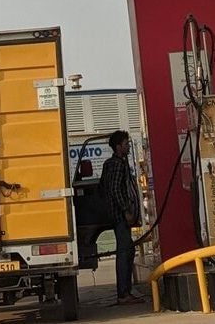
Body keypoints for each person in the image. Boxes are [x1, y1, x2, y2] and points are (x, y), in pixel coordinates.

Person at [99, 130, 142, 305]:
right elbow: (116, 189)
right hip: (120, 215)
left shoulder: (109, 164)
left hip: (115, 214)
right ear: (118, 147)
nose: (128, 147)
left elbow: (102, 186)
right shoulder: (117, 165)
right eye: (125, 144)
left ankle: (125, 292)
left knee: (127, 250)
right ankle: (123, 294)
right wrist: (126, 210)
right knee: (125, 252)